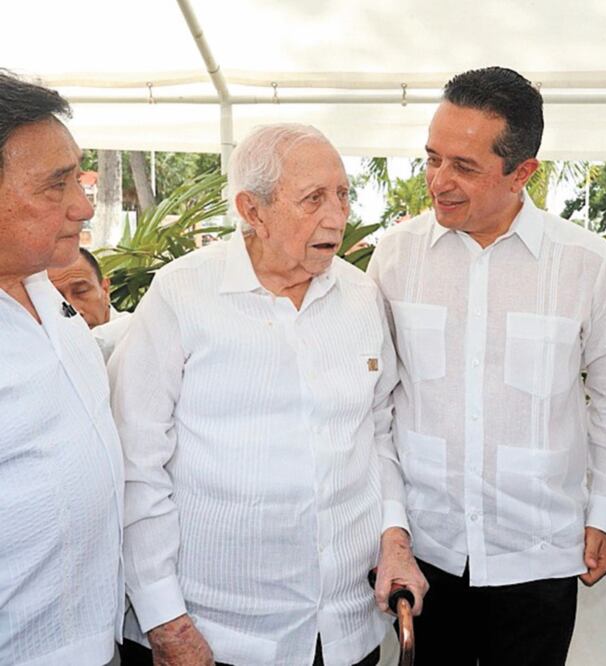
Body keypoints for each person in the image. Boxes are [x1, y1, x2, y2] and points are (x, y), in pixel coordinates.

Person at [109, 123, 428, 666]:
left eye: (343, 193)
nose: (337, 215)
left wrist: (394, 536)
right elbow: (136, 461)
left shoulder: (361, 296)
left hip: (344, 633)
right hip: (214, 636)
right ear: (252, 211)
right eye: (313, 199)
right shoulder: (182, 294)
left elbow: (377, 431)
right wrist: (165, 618)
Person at [367, 66, 606, 665]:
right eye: (432, 158)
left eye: (464, 167)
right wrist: (392, 527)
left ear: (523, 173)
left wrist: (605, 513)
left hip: (539, 552)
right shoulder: (396, 255)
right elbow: (377, 404)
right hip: (427, 552)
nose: (439, 182)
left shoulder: (583, 262)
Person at [0, 71, 124, 664]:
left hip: (94, 637)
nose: (81, 204)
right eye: (55, 185)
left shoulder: (46, 287)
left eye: (77, 175)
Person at [48, 247, 132, 360]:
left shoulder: (136, 334)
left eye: (81, 291)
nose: (74, 310)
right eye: (57, 299)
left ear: (105, 289)